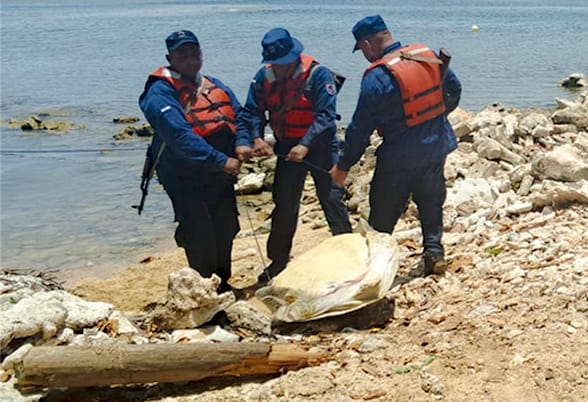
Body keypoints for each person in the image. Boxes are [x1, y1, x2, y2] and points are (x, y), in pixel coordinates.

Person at [331, 15, 462, 276]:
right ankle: (434, 253)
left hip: (398, 157)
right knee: (431, 201)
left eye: (362, 50)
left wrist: (343, 166)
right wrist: (436, 117)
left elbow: (359, 129)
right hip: (436, 145)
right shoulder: (424, 56)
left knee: (383, 212)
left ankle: (375, 270)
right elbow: (454, 90)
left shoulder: (376, 77)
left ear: (367, 44)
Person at [235, 27, 351, 283]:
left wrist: (306, 145)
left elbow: (326, 117)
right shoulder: (263, 78)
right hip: (286, 145)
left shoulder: (319, 76)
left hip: (320, 146)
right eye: (275, 64)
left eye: (283, 64)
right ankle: (278, 261)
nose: (279, 68)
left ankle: (349, 253)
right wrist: (255, 138)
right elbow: (252, 112)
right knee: (284, 203)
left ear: (295, 57)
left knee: (331, 198)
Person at [139, 30, 242, 291]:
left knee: (227, 224)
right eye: (182, 55)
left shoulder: (213, 83)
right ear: (169, 58)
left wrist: (245, 143)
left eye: (194, 53)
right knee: (198, 229)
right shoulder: (159, 92)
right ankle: (203, 285)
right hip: (183, 173)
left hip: (218, 171)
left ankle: (222, 281)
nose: (190, 59)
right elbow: (178, 136)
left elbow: (240, 115)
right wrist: (221, 160)